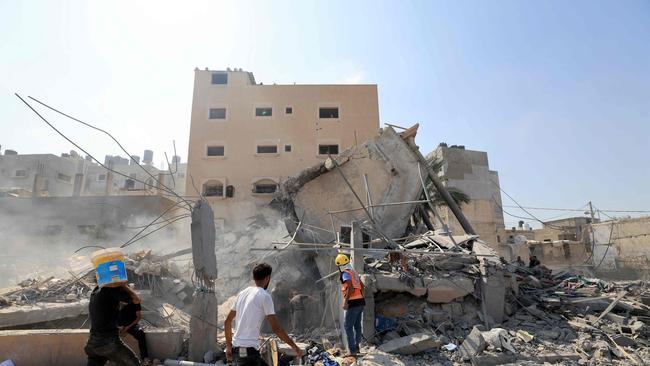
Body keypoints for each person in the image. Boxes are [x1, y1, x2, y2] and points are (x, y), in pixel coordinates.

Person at [225, 263, 304, 366]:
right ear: (267, 278)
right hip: (250, 354)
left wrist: (228, 346)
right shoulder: (265, 296)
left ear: (254, 277)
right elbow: (276, 329)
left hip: (236, 351)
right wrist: (295, 347)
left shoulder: (242, 294)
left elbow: (227, 321)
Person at [85, 282, 141, 366]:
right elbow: (136, 299)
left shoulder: (96, 290)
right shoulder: (111, 289)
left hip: (92, 343)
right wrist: (122, 284)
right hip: (108, 342)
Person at [336, 253, 365, 356]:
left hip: (353, 303)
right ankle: (357, 347)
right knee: (357, 326)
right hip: (361, 301)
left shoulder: (345, 273)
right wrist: (361, 297)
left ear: (339, 265)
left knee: (348, 326)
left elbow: (350, 287)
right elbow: (362, 285)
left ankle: (352, 351)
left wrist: (346, 301)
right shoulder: (354, 272)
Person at [118, 287, 149, 365]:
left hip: (130, 325)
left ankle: (145, 358)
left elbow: (138, 317)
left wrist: (127, 327)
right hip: (118, 326)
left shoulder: (134, 301)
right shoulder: (117, 301)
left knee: (141, 334)